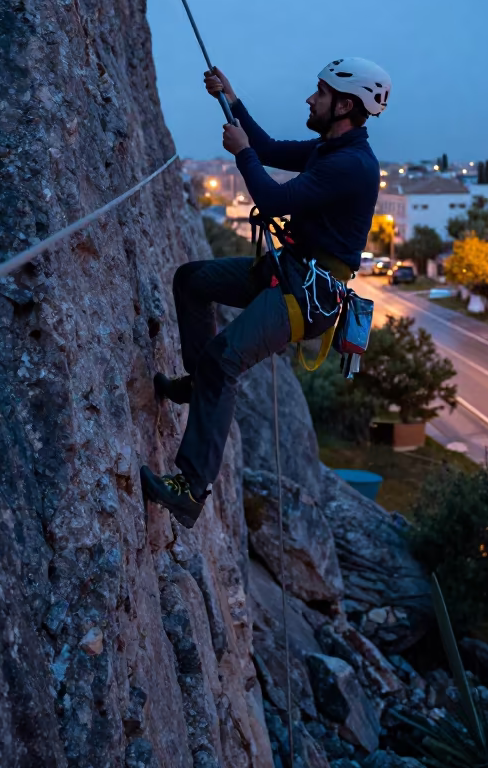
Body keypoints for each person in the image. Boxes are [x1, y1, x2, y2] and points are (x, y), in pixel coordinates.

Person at [140, 58, 390, 527]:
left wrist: (240, 153)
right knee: (192, 280)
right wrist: (230, 100)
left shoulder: (353, 165)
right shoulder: (329, 150)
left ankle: (190, 489)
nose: (310, 100)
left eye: (320, 93)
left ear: (345, 105)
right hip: (288, 271)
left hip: (308, 296)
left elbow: (273, 197)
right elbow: (269, 148)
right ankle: (200, 388)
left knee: (225, 359)